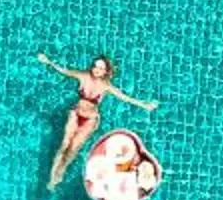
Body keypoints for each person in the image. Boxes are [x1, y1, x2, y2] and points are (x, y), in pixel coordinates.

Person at [37, 53, 157, 189]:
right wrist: (47, 61)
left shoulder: (106, 86)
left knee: (73, 148)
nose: (97, 70)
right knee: (65, 144)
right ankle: (52, 177)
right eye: (95, 66)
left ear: (105, 71)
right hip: (76, 114)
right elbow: (64, 71)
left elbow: (125, 98)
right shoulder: (83, 76)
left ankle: (61, 170)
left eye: (101, 68)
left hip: (90, 120)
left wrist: (145, 105)